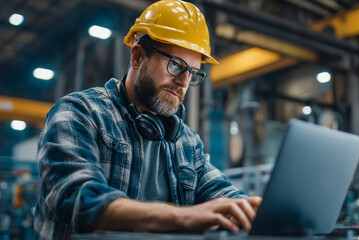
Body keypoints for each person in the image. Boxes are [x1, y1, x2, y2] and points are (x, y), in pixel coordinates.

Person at [33, 0, 262, 239]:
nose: (184, 81)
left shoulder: (186, 142)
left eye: (193, 72)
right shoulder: (79, 113)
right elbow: (77, 197)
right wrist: (183, 217)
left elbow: (221, 193)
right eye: (176, 65)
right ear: (138, 56)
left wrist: (250, 208)